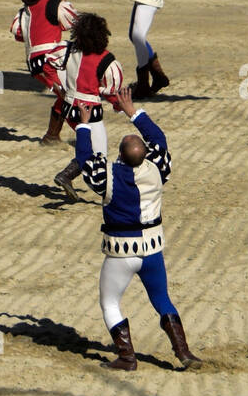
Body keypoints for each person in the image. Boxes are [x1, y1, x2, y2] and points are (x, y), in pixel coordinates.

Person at [75, 85, 200, 371]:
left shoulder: (106, 175)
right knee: (162, 299)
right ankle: (183, 353)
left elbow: (84, 159)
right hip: (152, 249)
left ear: (119, 155)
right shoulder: (158, 167)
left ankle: (127, 357)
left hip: (121, 251)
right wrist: (132, 111)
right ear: (145, 154)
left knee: (109, 303)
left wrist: (84, 125)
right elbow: (158, 138)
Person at [53, 12, 123, 203]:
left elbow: (50, 64)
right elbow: (111, 88)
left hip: (69, 108)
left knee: (90, 148)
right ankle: (106, 193)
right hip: (89, 111)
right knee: (98, 154)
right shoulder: (107, 60)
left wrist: (59, 87)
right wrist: (116, 103)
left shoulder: (67, 50)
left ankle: (67, 175)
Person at [10, 0, 78, 143]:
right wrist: (64, 2)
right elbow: (72, 22)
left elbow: (18, 33)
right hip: (52, 61)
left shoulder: (23, 12)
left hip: (35, 63)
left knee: (66, 95)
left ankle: (52, 135)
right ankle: (85, 134)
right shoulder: (54, 5)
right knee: (71, 95)